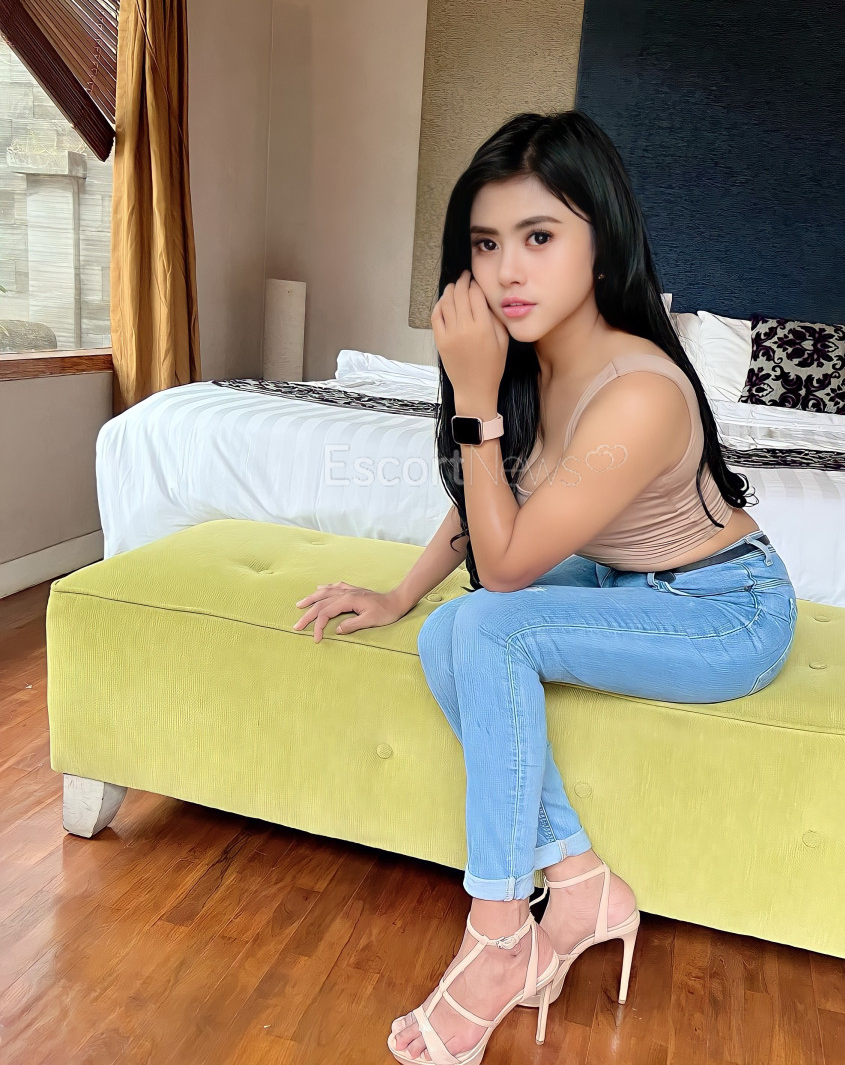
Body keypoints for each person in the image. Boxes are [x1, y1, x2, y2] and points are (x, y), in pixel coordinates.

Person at [293, 110, 798, 1065]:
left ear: (601, 244)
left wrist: (475, 399)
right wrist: (400, 594)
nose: (505, 271)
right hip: (629, 580)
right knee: (448, 628)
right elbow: (492, 514)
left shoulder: (639, 392)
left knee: (490, 625)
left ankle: (496, 934)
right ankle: (576, 877)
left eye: (538, 237)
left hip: (722, 609)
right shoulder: (532, 364)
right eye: (485, 244)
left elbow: (509, 566)